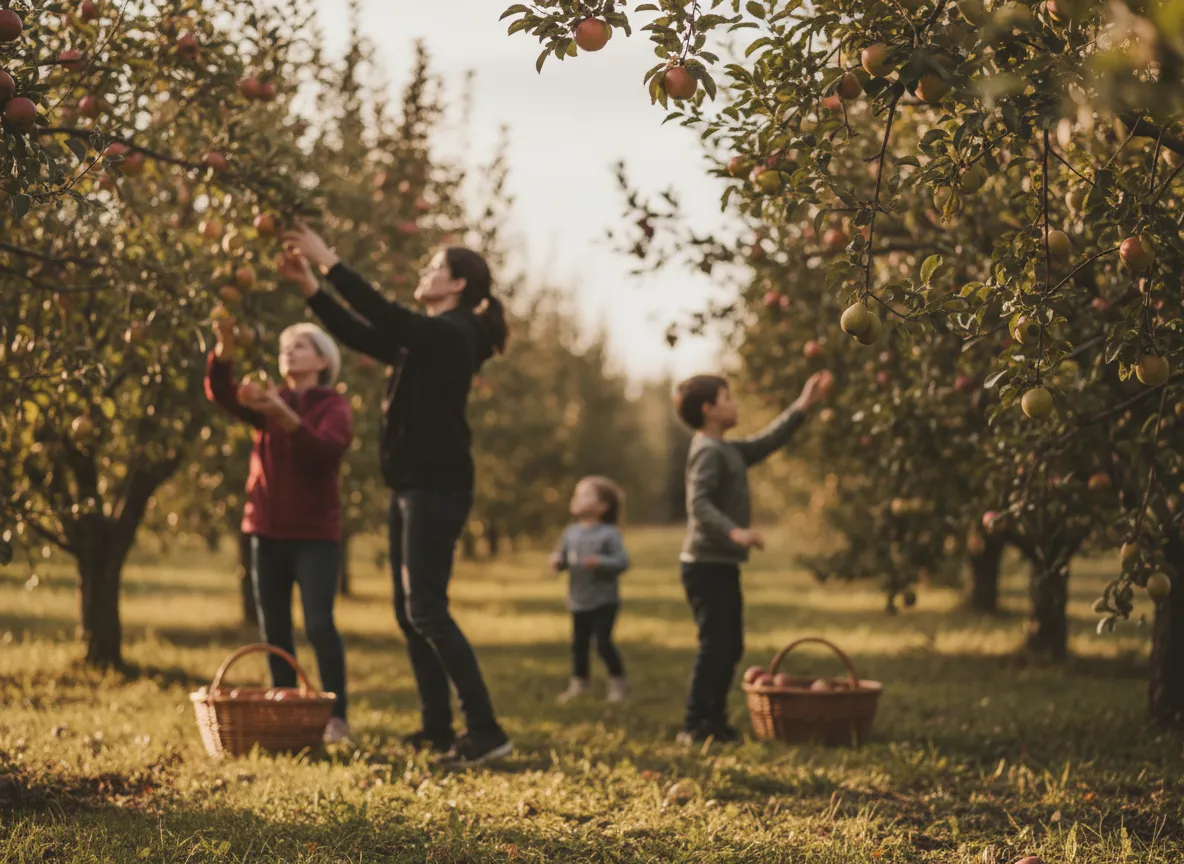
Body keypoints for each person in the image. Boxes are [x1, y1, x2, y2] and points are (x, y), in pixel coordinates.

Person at [277, 222, 513, 767]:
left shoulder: (452, 333)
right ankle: (437, 727)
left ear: (456, 286)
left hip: (436, 486)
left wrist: (330, 260)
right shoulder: (430, 340)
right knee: (411, 613)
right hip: (414, 486)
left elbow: (385, 315)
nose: (425, 274)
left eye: (434, 268)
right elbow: (364, 334)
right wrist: (312, 287)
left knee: (427, 609)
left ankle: (485, 729)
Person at [204, 318, 354, 744]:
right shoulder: (270, 400)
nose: (290, 352)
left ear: (323, 360)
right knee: (275, 628)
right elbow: (221, 392)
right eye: (286, 346)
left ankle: (336, 716)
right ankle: (285, 709)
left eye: (302, 346)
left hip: (315, 534)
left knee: (320, 624)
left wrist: (280, 411)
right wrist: (225, 348)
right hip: (266, 530)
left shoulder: (333, 407)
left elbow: (323, 453)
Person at [673, 369, 832, 744]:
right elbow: (698, 504)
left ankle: (713, 721)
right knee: (717, 644)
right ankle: (695, 724)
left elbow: (765, 442)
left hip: (720, 564)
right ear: (709, 409)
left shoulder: (725, 448)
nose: (735, 403)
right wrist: (735, 531)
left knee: (729, 645)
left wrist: (802, 404)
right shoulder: (707, 451)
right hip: (705, 565)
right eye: (728, 398)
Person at [549, 476, 631, 705]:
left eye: (585, 494)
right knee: (579, 645)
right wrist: (556, 561)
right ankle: (579, 683)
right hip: (578, 599)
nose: (577, 498)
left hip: (604, 601)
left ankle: (618, 683)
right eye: (577, 494)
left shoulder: (609, 534)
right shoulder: (571, 532)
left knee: (602, 643)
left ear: (603, 506)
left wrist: (600, 562)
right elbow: (562, 557)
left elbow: (622, 562)